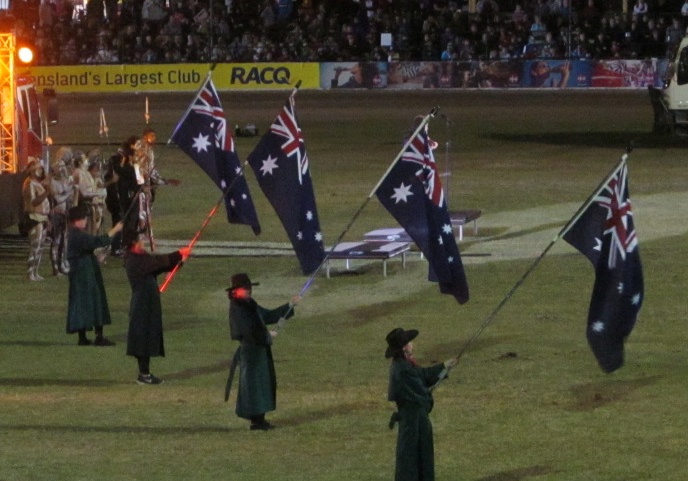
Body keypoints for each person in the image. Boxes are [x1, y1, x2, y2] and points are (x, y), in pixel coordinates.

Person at [226, 273, 299, 431]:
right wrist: (267, 335)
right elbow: (247, 331)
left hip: (259, 350)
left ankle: (260, 419)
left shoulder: (249, 304)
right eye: (246, 288)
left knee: (262, 384)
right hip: (251, 353)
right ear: (236, 291)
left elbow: (267, 315)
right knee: (254, 387)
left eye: (249, 288)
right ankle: (256, 421)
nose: (249, 291)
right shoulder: (238, 308)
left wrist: (289, 306)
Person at [385, 327, 458, 481]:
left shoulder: (405, 364)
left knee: (420, 456)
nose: (412, 344)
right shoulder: (403, 369)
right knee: (411, 459)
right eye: (409, 342)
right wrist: (428, 397)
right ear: (404, 347)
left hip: (415, 419)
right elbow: (422, 396)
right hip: (413, 420)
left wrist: (444, 366)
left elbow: (422, 375)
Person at [123, 237, 191, 385]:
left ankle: (145, 373)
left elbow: (159, 266)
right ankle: (144, 374)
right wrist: (178, 254)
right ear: (133, 245)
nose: (143, 244)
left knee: (147, 336)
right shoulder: (133, 260)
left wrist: (179, 263)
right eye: (140, 241)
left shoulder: (141, 257)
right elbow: (157, 262)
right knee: (143, 337)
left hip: (148, 302)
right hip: (142, 304)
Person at [66, 205, 123, 346]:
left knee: (81, 304)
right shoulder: (77, 234)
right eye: (84, 219)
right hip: (84, 274)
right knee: (96, 301)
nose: (85, 221)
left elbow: (88, 248)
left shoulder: (74, 234)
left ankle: (83, 337)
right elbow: (96, 242)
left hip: (83, 271)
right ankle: (99, 336)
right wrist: (115, 230)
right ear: (77, 220)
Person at [22, 158, 52, 281]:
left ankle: (35, 271)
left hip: (42, 217)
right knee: (35, 245)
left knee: (40, 246)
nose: (41, 170)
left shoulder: (38, 183)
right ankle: (30, 273)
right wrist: (46, 193)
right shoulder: (29, 183)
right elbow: (34, 201)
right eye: (39, 168)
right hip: (34, 217)